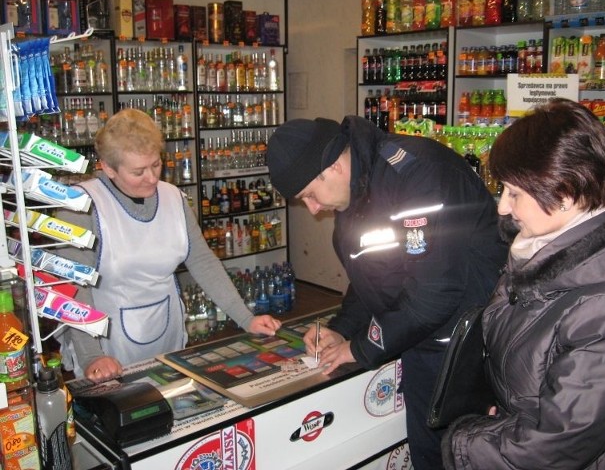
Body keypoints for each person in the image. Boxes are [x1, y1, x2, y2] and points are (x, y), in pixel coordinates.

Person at [266, 115, 507, 469]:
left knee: (457, 456)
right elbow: (372, 271)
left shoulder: (417, 175)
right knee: (428, 452)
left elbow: (434, 296)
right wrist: (342, 327)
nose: (313, 209)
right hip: (422, 338)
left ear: (331, 166)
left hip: (466, 349)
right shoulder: (358, 187)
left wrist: (360, 348)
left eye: (309, 196)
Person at [442, 98, 605, 469]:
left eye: (514, 193)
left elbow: (556, 443)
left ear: (564, 194)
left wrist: (464, 443)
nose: (502, 208)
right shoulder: (543, 244)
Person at [55, 109, 281, 382]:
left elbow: (202, 261)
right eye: (138, 171)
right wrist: (91, 356)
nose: (152, 178)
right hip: (106, 343)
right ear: (108, 168)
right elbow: (72, 288)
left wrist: (246, 318)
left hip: (168, 330)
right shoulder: (80, 206)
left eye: (156, 165)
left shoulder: (173, 197)